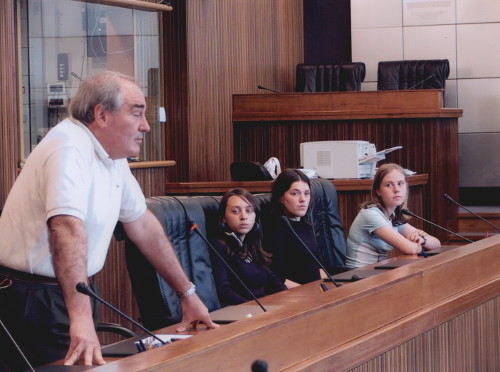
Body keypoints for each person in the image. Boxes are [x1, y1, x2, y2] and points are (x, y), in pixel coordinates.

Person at [0, 71, 218, 370]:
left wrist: (187, 293)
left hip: (74, 290)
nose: (146, 126)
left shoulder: (110, 155)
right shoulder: (69, 146)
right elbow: (65, 228)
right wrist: (80, 318)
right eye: (137, 114)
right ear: (101, 115)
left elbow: (142, 225)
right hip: (36, 297)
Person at [345, 163, 440, 268]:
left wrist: (422, 240)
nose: (396, 189)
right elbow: (411, 249)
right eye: (389, 185)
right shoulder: (371, 215)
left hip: (376, 274)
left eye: (400, 183)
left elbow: (436, 244)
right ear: (378, 191)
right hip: (358, 277)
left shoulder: (393, 216)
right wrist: (418, 244)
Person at [209, 188, 286, 307]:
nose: (244, 217)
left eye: (249, 211)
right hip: (242, 313)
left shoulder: (250, 245)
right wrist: (257, 308)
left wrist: (288, 297)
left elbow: (271, 279)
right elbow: (223, 291)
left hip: (263, 309)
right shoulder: (218, 246)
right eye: (235, 211)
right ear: (223, 217)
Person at [265, 169, 325, 287]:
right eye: (295, 193)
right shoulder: (276, 228)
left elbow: (318, 267)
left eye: (306, 193)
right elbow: (275, 276)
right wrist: (307, 292)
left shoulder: (306, 223)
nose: (303, 199)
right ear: (281, 198)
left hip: (317, 290)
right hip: (297, 295)